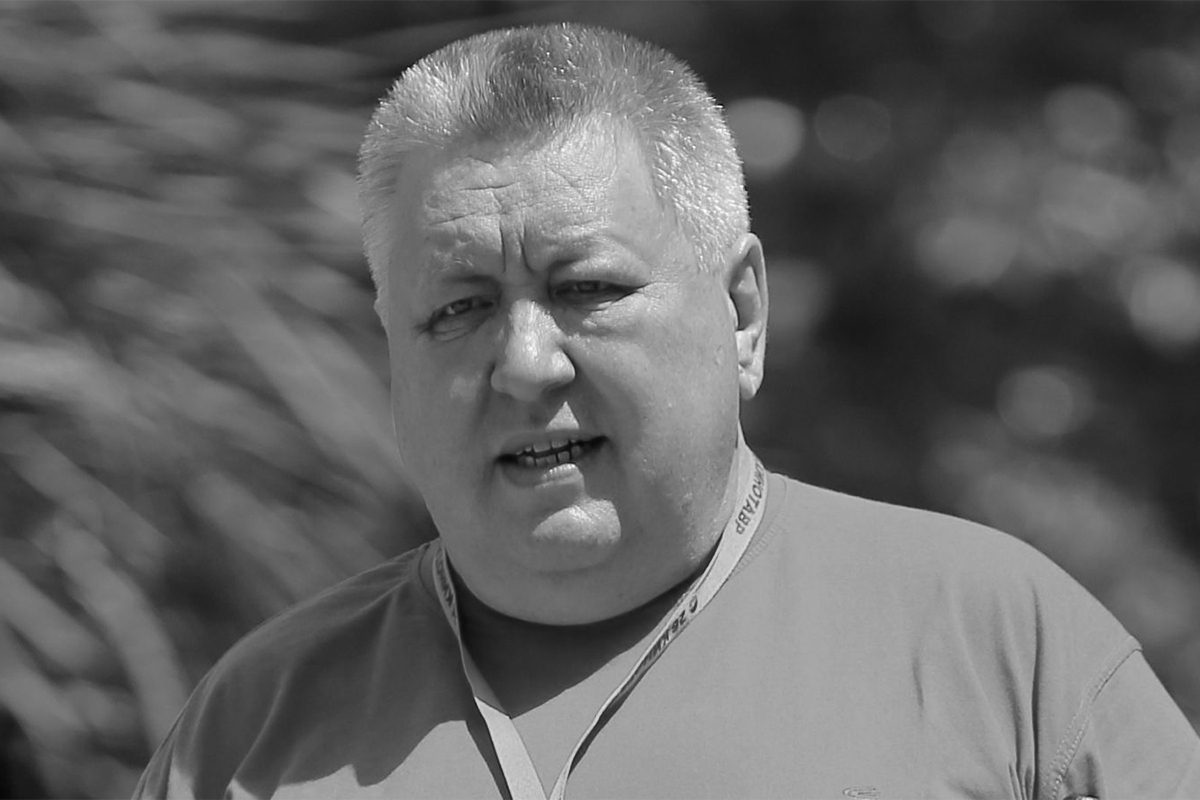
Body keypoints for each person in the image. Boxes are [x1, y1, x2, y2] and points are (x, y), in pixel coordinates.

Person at [135, 22, 1200, 799]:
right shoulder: (253, 730)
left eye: (586, 288)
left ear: (743, 315)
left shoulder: (993, 644)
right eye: (459, 308)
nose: (525, 363)